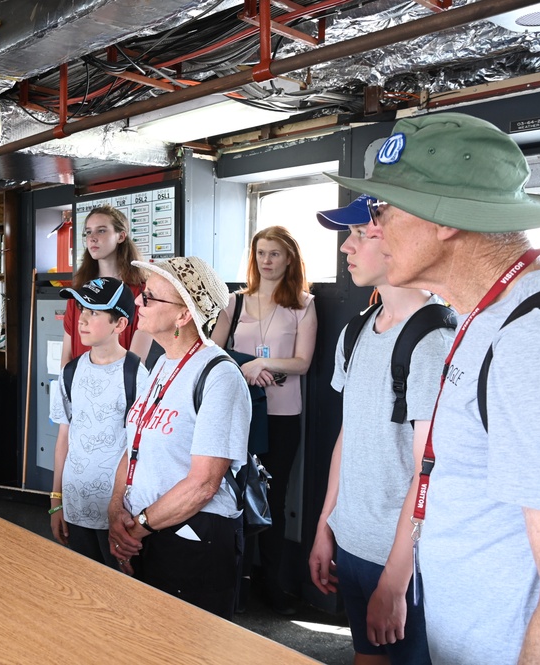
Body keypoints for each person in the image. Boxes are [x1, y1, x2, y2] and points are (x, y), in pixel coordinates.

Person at [327, 112, 540, 665]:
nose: (373, 229)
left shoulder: (534, 334)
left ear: (445, 219)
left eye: (382, 209)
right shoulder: (483, 316)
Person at [308, 195, 454, 665]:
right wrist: (326, 524)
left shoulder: (432, 339)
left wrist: (395, 578)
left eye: (359, 235)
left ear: (394, 238)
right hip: (351, 539)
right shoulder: (355, 330)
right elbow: (349, 436)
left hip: (399, 558)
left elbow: (428, 469)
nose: (346, 249)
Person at [107, 256, 251, 619]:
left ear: (184, 315)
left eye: (151, 297)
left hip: (192, 541)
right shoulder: (160, 364)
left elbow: (203, 484)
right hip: (146, 531)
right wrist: (116, 511)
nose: (138, 301)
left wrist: (136, 528)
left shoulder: (220, 376)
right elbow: (134, 445)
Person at [210, 225, 318, 615]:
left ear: (290, 258)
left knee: (271, 499)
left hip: (282, 415)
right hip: (239, 413)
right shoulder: (234, 302)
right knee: (232, 497)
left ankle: (272, 588)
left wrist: (260, 363)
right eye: (261, 253)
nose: (267, 261)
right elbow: (214, 353)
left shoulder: (304, 304)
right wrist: (246, 370)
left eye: (275, 253)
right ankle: (234, 586)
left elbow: (302, 362)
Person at [48, 277, 149, 567]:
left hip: (118, 513)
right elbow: (63, 439)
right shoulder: (69, 373)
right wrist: (56, 501)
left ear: (120, 324)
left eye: (95, 312)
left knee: (121, 591)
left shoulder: (136, 374)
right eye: (82, 309)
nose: (83, 319)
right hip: (76, 506)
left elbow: (140, 449)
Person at [60, 205, 152, 367]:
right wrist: (67, 389)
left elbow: (136, 363)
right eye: (88, 232)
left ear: (121, 236)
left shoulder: (141, 293)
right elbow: (66, 358)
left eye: (101, 230)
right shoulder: (78, 293)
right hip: (78, 386)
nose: (92, 238)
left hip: (119, 388)